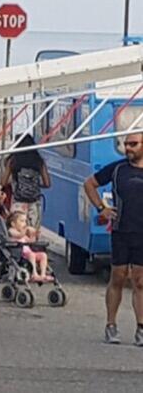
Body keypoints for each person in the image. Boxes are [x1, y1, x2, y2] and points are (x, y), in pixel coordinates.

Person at [83, 132, 143, 346]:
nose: (128, 148)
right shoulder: (118, 169)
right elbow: (89, 184)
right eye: (125, 144)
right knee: (118, 276)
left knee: (140, 281)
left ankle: (141, 328)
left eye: (133, 144)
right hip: (121, 231)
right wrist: (102, 208)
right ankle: (111, 324)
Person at [2, 134, 51, 235]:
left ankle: (17, 250)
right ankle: (31, 250)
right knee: (33, 233)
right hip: (34, 204)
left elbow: (3, 182)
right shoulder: (39, 161)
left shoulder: (13, 161)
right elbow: (47, 183)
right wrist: (36, 184)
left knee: (16, 232)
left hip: (18, 203)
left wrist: (15, 182)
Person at [7, 211, 52, 282]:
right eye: (22, 221)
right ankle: (34, 274)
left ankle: (43, 274)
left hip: (29, 253)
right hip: (20, 254)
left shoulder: (24, 235)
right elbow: (19, 236)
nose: (24, 224)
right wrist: (26, 229)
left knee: (43, 255)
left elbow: (31, 242)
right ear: (13, 224)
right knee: (32, 255)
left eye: (25, 221)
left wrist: (34, 234)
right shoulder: (12, 231)